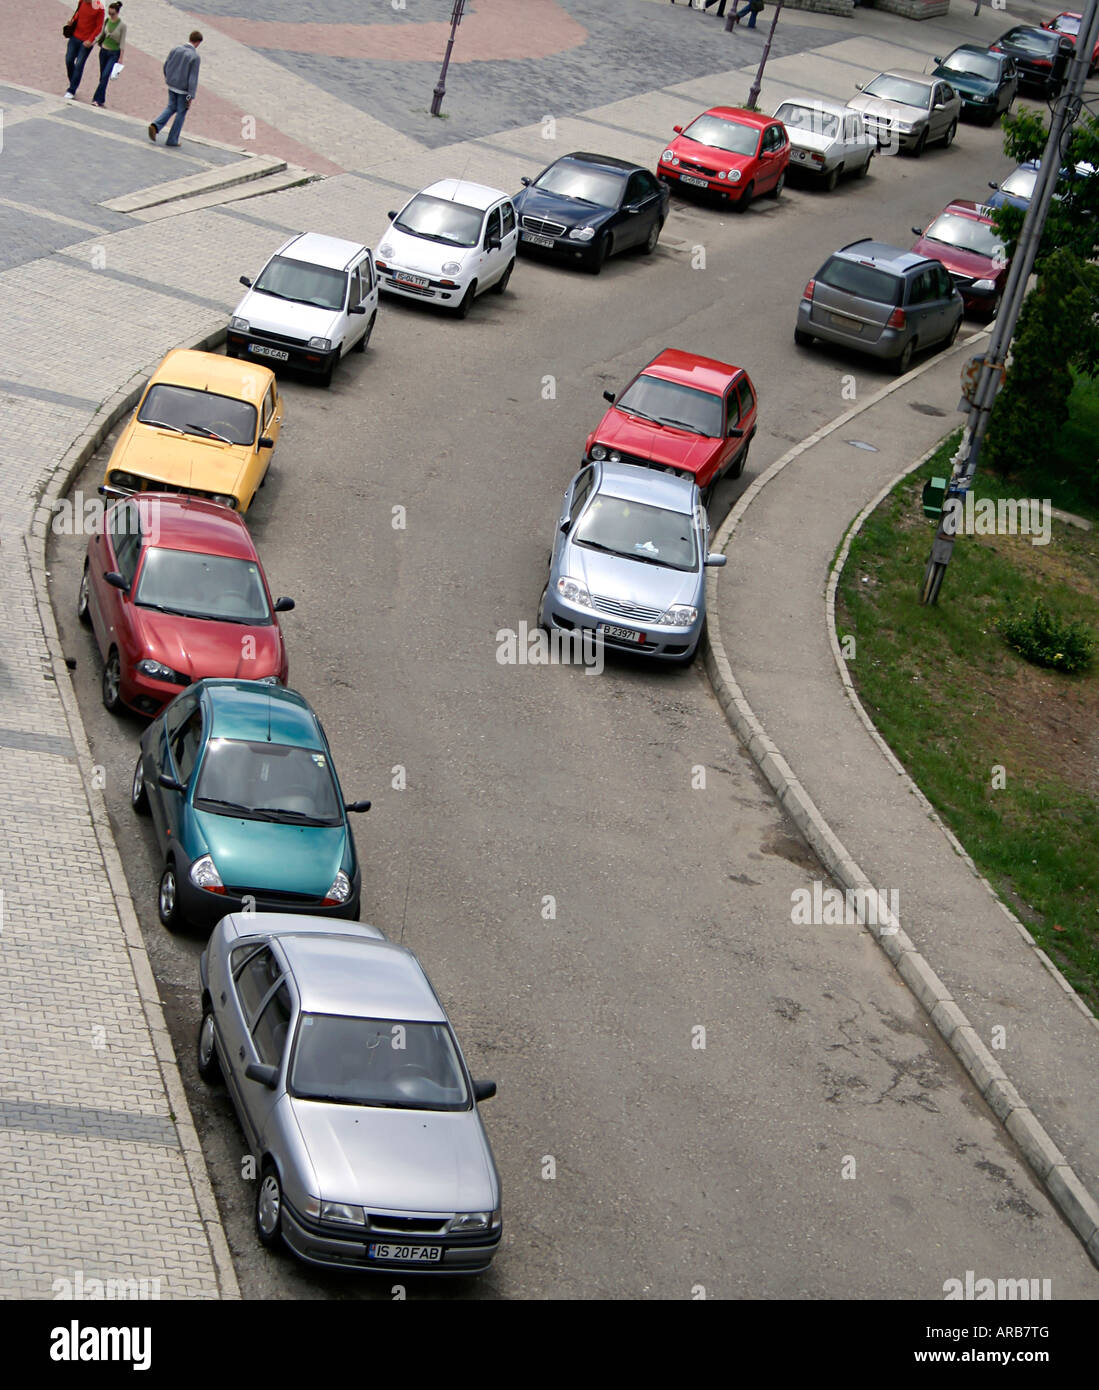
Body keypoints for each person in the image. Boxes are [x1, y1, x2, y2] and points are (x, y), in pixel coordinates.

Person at [149, 30, 203, 148]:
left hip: (172, 85)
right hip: (184, 90)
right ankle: (172, 139)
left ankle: (156, 125)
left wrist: (168, 78)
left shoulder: (176, 50)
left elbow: (166, 65)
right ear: (198, 42)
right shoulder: (195, 57)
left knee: (171, 106)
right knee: (181, 113)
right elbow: (193, 78)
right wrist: (190, 96)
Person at [63, 0, 105, 100]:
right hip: (75, 36)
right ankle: (73, 81)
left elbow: (99, 27)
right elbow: (78, 14)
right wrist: (72, 21)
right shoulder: (82, 2)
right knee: (69, 59)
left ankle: (72, 89)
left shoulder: (99, 8)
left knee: (79, 64)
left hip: (86, 42)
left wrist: (90, 40)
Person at [91, 3, 126, 108]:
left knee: (105, 75)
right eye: (109, 12)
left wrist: (121, 57)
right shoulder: (107, 21)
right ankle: (101, 99)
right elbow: (102, 34)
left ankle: (96, 99)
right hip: (103, 51)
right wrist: (93, 42)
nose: (110, 15)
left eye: (112, 13)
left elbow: (122, 42)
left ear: (117, 12)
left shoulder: (122, 26)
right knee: (102, 76)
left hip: (113, 53)